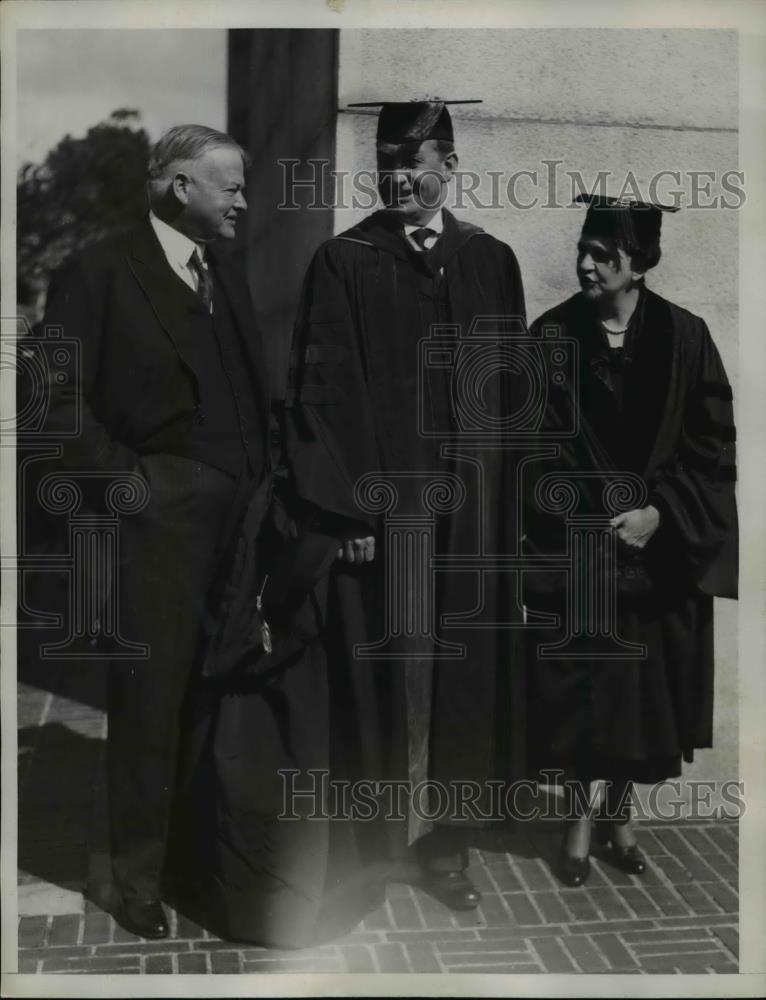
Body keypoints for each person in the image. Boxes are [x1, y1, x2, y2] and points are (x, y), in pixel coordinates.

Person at [283, 98, 529, 911]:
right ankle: (374, 843)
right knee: (384, 675)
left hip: (470, 523)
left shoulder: (491, 261)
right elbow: (321, 396)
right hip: (386, 517)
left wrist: (506, 515)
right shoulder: (344, 261)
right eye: (385, 168)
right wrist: (348, 512)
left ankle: (448, 846)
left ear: (449, 169)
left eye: (412, 168)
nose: (396, 180)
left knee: (462, 681)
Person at [39, 125, 272, 938]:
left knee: (214, 697)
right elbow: (52, 397)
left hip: (239, 528)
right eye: (231, 186)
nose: (244, 200)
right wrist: (129, 486)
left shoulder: (226, 276)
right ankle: (134, 877)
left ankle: (194, 861)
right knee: (150, 703)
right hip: (154, 528)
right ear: (181, 188)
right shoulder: (99, 272)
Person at [524, 194, 738, 887]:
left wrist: (662, 512)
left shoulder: (686, 338)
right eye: (583, 250)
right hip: (581, 550)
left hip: (657, 557)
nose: (586, 264)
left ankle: (619, 818)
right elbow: (529, 448)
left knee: (646, 703)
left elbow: (711, 447)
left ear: (638, 264)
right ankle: (581, 822)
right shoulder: (551, 337)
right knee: (590, 693)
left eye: (603, 256)